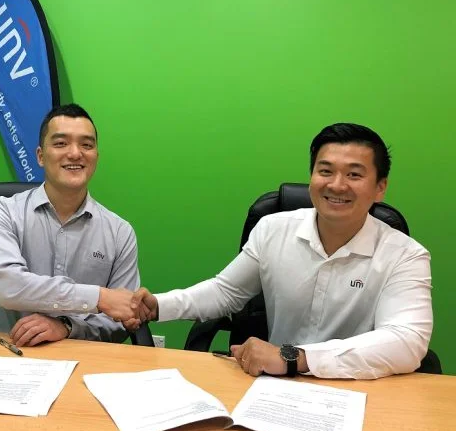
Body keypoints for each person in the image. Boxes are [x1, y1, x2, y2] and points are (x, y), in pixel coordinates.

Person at [131, 123, 433, 379]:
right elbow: (225, 292)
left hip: (359, 387)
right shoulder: (272, 229)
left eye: (354, 175)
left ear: (380, 187)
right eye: (325, 171)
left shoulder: (405, 255)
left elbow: (406, 341)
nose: (337, 185)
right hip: (276, 386)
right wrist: (158, 306)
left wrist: (294, 358)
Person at [0, 103, 139, 347]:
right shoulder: (2, 213)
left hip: (86, 356)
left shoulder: (120, 232)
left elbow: (122, 317)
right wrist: (99, 298)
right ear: (40, 156)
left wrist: (67, 326)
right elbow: (8, 286)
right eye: (61, 143)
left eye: (87, 145)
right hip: (11, 352)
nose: (75, 153)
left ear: (96, 157)